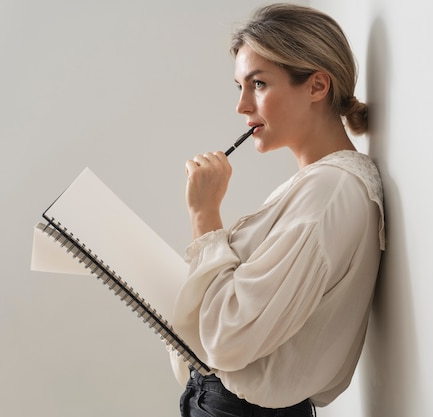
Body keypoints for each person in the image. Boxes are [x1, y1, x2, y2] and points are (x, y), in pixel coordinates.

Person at [170, 3, 385, 416]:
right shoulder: (317, 186)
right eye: (240, 87)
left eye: (259, 85)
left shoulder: (330, 192)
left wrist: (205, 215)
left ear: (317, 86)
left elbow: (229, 336)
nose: (243, 106)